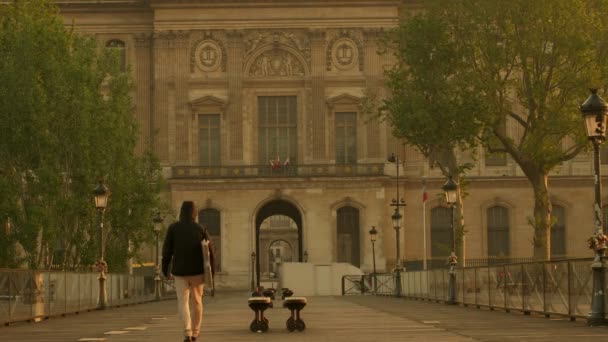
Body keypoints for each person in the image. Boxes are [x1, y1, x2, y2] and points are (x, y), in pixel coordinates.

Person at [162, 201, 215, 342]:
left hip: (180, 272)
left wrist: (164, 269)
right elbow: (210, 253)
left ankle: (187, 331)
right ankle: (196, 332)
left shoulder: (173, 228)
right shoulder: (200, 229)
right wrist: (212, 274)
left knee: (183, 302)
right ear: (194, 213)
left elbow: (166, 251)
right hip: (197, 272)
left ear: (181, 212)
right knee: (197, 302)